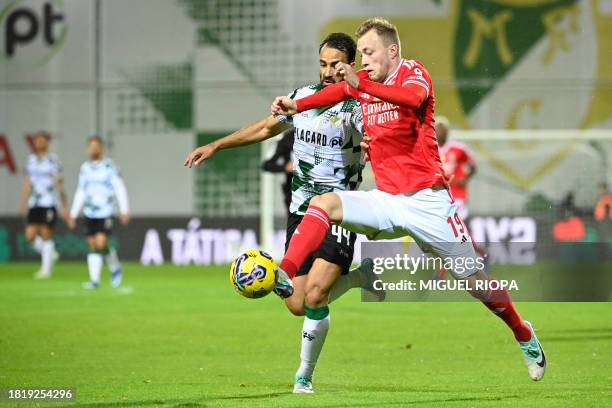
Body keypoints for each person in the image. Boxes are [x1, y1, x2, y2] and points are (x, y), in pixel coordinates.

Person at [271, 17, 546, 381]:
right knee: (324, 204)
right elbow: (335, 94)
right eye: (361, 55)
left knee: (475, 282)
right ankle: (285, 273)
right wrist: (297, 106)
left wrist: (361, 86)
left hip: (428, 203)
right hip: (388, 200)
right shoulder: (364, 83)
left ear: (392, 50)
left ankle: (522, 331)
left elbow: (412, 98)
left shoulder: (413, 74)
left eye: (368, 53)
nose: (363, 61)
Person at [185, 33, 382, 393]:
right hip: (302, 214)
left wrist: (376, 151)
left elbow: (380, 137)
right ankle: (358, 278)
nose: (328, 71)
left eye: (336, 64)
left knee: (317, 295)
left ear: (350, 64)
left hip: (339, 211)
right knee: (295, 303)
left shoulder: (358, 108)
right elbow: (264, 127)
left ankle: (304, 375)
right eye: (322, 63)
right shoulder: (301, 99)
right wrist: (217, 144)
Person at [67, 136, 129, 289]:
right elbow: (81, 191)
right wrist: (73, 213)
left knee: (101, 242)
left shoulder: (109, 167)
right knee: (93, 245)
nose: (94, 149)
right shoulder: (85, 168)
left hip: (105, 211)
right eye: (91, 146)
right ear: (87, 149)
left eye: (96, 146)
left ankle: (114, 268)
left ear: (102, 148)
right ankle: (95, 280)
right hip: (89, 212)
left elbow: (119, 188)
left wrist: (124, 210)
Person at [18, 131, 69, 279]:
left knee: (46, 234)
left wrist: (64, 205)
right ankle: (50, 252)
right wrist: (22, 203)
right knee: (29, 236)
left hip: (49, 202)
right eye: (37, 140)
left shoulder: (53, 160)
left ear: (47, 142)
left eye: (42, 140)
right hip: (34, 202)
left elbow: (59, 182)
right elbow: (27, 183)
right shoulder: (31, 160)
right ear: (34, 143)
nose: (39, 143)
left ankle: (46, 270)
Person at [436, 116, 477, 219]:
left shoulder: (458, 148)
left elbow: (473, 166)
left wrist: (465, 178)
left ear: (447, 131)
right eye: (437, 128)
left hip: (457, 192)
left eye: (442, 129)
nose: (440, 131)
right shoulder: (429, 149)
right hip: (439, 192)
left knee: (458, 220)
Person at [261, 129, 294, 214]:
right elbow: (267, 164)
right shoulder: (286, 138)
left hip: (320, 191)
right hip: (293, 192)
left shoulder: (322, 135)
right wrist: (286, 167)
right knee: (296, 225)